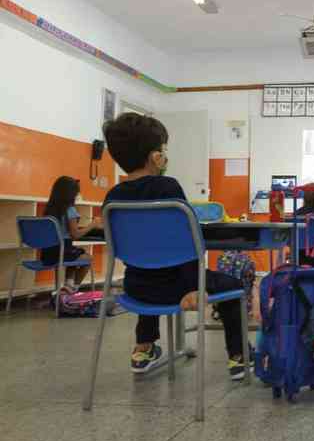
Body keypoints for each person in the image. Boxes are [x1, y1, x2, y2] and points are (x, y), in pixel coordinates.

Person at [102, 112, 249, 379]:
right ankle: (239, 357)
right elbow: (189, 244)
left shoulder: (113, 198)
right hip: (181, 288)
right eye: (163, 150)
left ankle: (143, 349)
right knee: (234, 285)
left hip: (136, 290)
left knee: (149, 266)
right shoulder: (168, 187)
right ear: (156, 157)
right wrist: (195, 286)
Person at [41, 176, 102, 289]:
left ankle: (68, 285)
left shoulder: (49, 210)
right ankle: (73, 289)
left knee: (77, 253)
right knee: (88, 258)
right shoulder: (70, 209)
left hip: (47, 254)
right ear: (71, 193)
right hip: (62, 252)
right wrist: (93, 224)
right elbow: (75, 235)